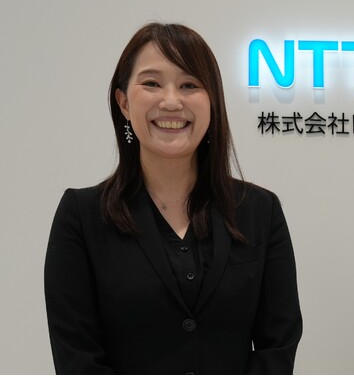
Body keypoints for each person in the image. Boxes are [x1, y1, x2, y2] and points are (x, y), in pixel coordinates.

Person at [44, 23, 302, 374]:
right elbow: (77, 358)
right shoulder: (82, 216)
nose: (170, 101)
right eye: (151, 83)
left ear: (212, 102)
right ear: (123, 102)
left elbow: (278, 345)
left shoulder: (260, 211)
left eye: (189, 85)